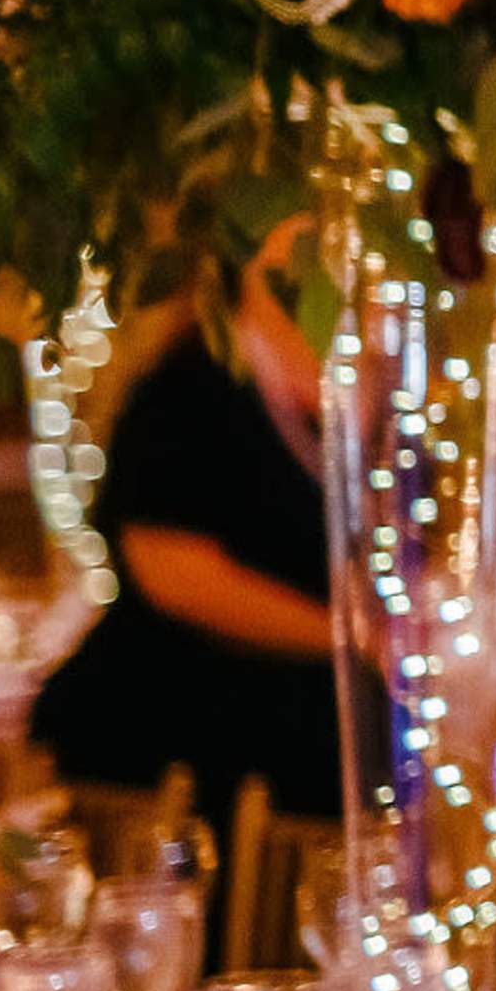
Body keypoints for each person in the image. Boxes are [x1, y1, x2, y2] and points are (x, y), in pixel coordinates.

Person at [26, 245, 342, 824]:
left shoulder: (343, 394)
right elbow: (175, 574)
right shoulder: (187, 387)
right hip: (179, 741)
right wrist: (350, 634)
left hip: (296, 751)